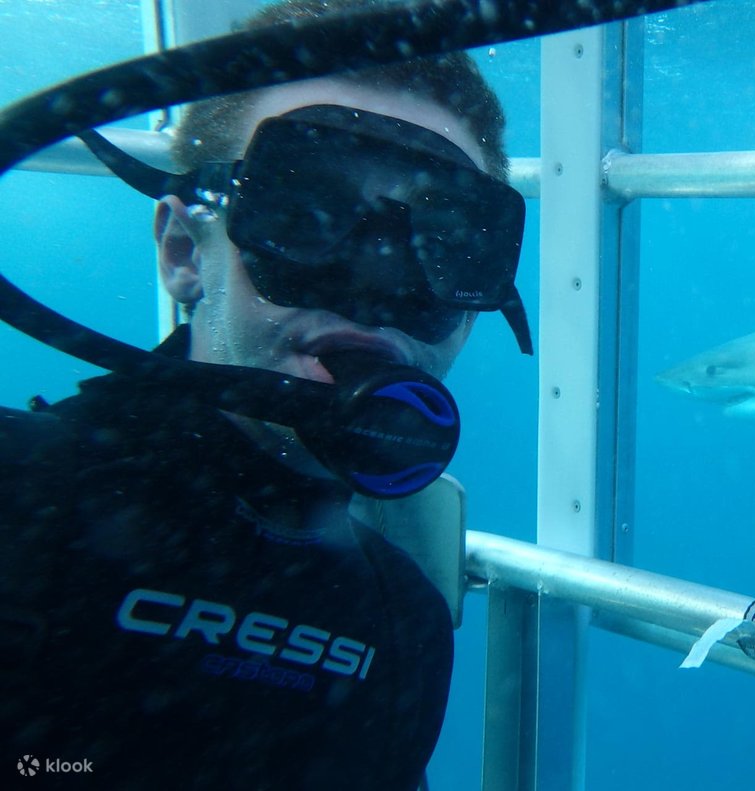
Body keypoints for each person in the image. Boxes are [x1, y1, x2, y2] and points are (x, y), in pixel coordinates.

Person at [0, 0, 527, 787]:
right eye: (306, 214)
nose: (376, 288)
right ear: (185, 251)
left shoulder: (403, 619)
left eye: (445, 242)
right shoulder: (15, 499)